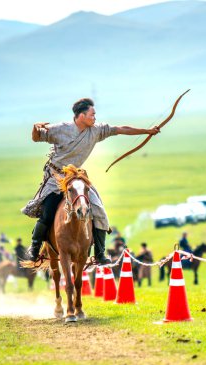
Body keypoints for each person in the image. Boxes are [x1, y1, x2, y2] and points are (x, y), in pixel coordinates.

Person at [22, 98, 160, 265]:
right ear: (81, 116)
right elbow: (37, 138)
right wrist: (35, 128)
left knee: (98, 209)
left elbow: (120, 129)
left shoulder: (96, 130)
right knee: (48, 212)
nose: (95, 117)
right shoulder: (60, 129)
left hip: (76, 177)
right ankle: (35, 248)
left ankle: (100, 253)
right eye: (92, 114)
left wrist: (146, 131)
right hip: (55, 176)